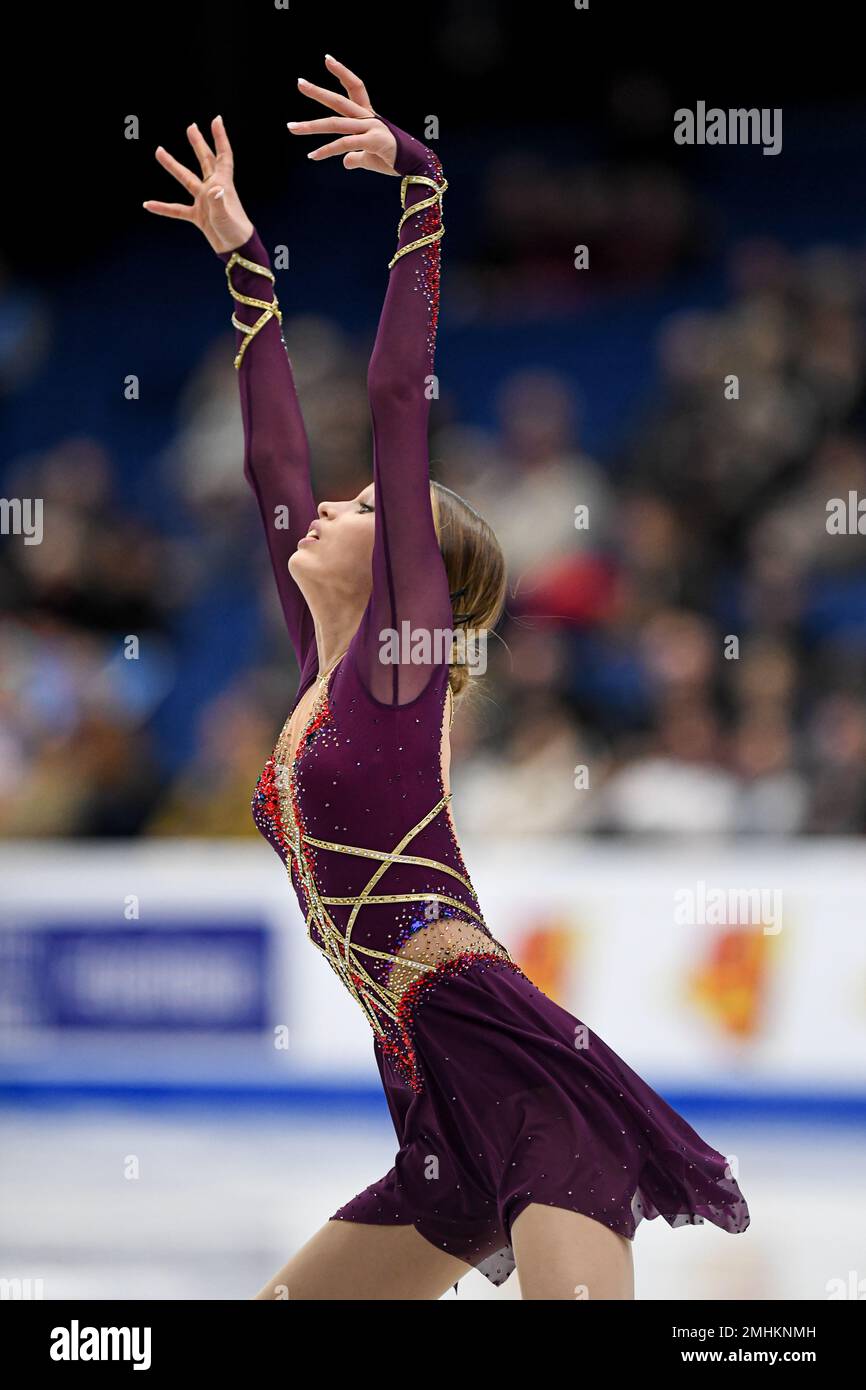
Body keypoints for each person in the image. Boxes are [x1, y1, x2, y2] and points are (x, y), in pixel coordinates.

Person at [144, 54, 750, 1300]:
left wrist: (419, 185)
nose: (326, 509)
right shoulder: (323, 671)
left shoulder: (399, 661)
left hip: (509, 1066)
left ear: (420, 562)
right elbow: (272, 466)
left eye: (368, 505)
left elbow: (391, 399)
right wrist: (243, 262)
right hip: (429, 1094)